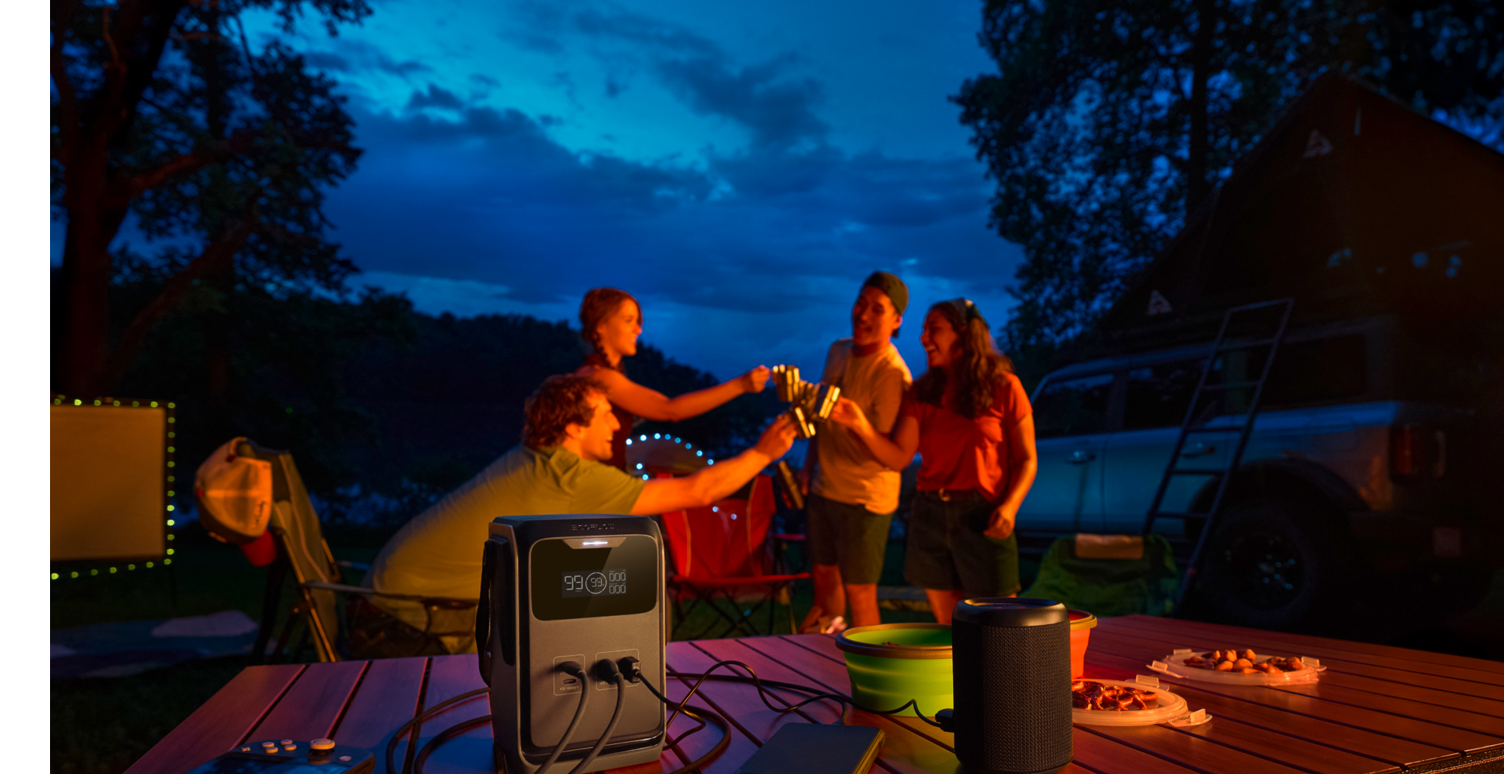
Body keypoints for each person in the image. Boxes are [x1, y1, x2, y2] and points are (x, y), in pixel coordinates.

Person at [356, 373, 798, 655]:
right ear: (574, 427)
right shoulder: (570, 475)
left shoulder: (538, 459)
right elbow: (700, 491)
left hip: (389, 607)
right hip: (406, 628)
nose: (615, 425)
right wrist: (764, 451)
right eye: (606, 415)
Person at [828, 299, 1038, 625]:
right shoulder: (922, 392)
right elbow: (899, 457)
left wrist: (1010, 507)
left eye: (934, 329)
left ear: (965, 334)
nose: (924, 338)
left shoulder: (1005, 387)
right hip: (931, 515)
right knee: (949, 630)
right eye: (924, 330)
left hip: (983, 516)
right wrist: (859, 424)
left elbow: (1026, 459)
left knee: (1000, 628)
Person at [797, 271, 914, 634]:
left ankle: (869, 672)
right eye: (860, 304)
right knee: (823, 579)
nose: (863, 315)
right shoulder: (838, 350)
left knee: (861, 594)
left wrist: (859, 423)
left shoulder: (892, 374)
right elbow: (821, 414)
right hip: (824, 486)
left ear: (895, 321)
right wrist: (808, 465)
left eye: (876, 309)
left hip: (866, 497)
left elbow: (892, 455)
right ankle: (827, 660)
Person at [576, 287, 770, 470]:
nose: (638, 330)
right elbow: (671, 410)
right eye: (628, 320)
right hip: (599, 496)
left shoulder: (600, 373)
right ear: (601, 325)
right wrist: (741, 385)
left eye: (638, 322)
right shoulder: (600, 377)